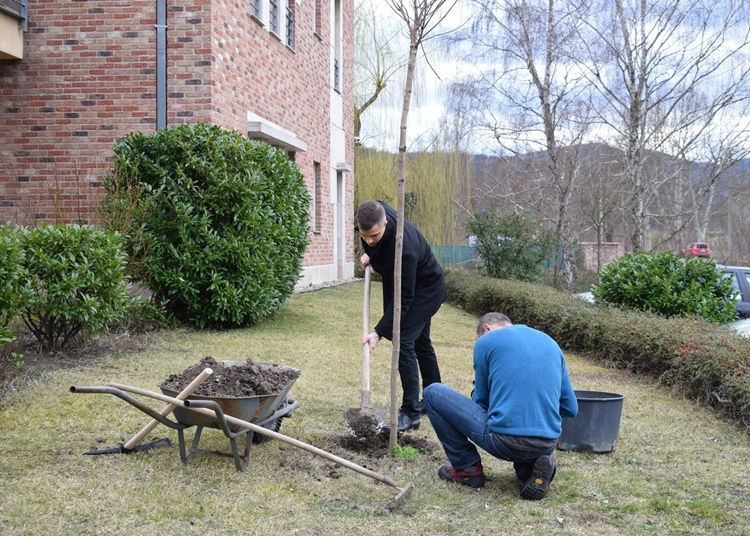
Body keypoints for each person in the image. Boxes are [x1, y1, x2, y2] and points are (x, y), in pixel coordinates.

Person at [423, 312, 578, 500]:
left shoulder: (487, 341)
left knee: (433, 393)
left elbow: (481, 401)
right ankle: (530, 471)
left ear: (486, 329)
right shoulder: (551, 343)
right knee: (524, 440)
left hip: (504, 443)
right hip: (547, 443)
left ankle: (467, 469)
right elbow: (571, 408)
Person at [357, 200, 447, 432]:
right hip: (409, 287)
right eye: (364, 235)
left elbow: (404, 299)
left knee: (404, 342)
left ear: (386, 223)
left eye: (374, 236)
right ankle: (434, 398)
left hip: (424, 291)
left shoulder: (404, 248)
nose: (368, 240)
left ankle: (410, 413)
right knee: (422, 343)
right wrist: (370, 254)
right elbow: (372, 245)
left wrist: (379, 332)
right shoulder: (374, 213)